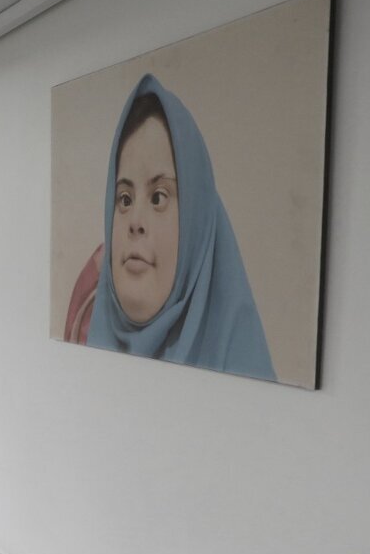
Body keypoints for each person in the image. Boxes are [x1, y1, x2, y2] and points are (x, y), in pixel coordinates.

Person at [86, 73, 276, 381]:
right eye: (124, 199)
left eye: (158, 197)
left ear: (195, 228)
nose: (135, 222)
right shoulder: (88, 345)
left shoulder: (243, 375)